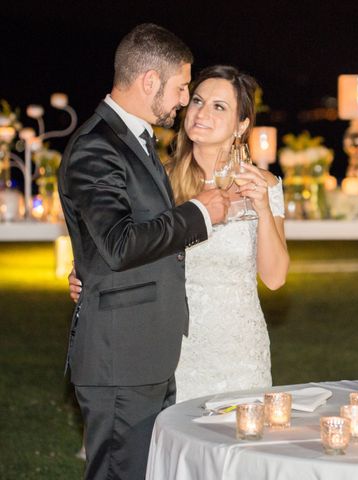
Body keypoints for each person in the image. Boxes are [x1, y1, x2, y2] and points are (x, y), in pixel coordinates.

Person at [58, 24, 229, 479]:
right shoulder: (97, 146)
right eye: (179, 88)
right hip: (120, 358)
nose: (181, 100)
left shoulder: (136, 139)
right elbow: (118, 242)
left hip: (144, 352)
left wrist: (87, 272)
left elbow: (108, 242)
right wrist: (199, 213)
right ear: (149, 81)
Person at [68, 65, 289, 403]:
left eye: (219, 107)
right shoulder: (159, 183)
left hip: (239, 346)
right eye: (197, 101)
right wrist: (88, 274)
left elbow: (274, 278)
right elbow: (126, 245)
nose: (202, 113)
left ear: (242, 124)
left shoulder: (265, 185)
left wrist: (261, 207)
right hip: (169, 345)